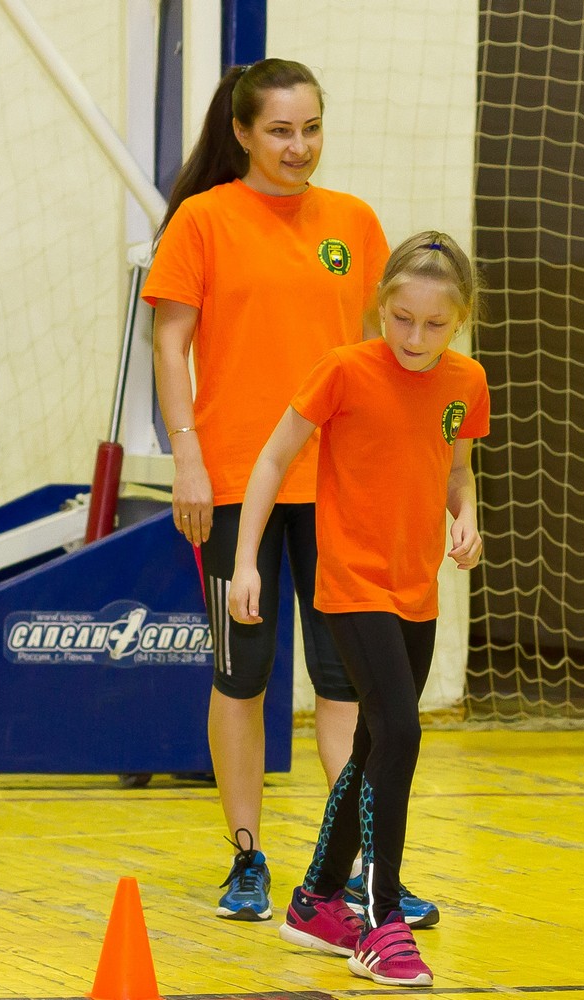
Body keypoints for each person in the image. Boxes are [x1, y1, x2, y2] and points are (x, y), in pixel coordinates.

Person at [142, 58, 438, 928]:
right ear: (241, 132)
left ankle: (365, 866)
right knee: (244, 675)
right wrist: (187, 457)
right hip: (237, 480)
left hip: (339, 487)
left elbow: (386, 353)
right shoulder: (202, 221)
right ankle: (247, 856)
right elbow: (171, 346)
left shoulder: (353, 223)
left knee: (348, 685)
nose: (298, 146)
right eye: (279, 130)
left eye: (310, 128)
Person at [228, 230, 488, 987]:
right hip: (351, 582)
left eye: (434, 325)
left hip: (417, 586)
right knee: (401, 730)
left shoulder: (466, 382)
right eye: (401, 318)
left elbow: (456, 470)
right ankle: (381, 922)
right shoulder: (343, 371)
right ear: (381, 307)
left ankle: (315, 898)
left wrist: (465, 516)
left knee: (376, 741)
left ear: (460, 320)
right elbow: (273, 457)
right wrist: (247, 561)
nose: (415, 337)